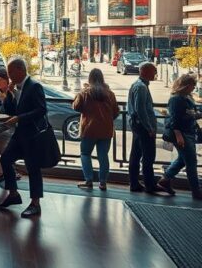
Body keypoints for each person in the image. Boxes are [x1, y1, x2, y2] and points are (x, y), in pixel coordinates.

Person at [0, 58, 48, 219]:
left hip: (32, 134)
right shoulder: (17, 88)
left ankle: (35, 204)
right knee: (5, 159)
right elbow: (11, 110)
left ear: (20, 70)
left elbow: (41, 110)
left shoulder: (34, 86)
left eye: (10, 72)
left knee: (33, 168)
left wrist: (19, 118)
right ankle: (13, 194)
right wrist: (8, 95)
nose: (9, 76)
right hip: (20, 134)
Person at [72, 68, 119, 191]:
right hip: (106, 129)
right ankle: (103, 183)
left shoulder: (85, 93)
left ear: (90, 79)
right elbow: (116, 112)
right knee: (103, 156)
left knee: (85, 154)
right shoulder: (110, 93)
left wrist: (82, 90)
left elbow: (76, 107)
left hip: (89, 129)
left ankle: (88, 180)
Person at [157, 74, 202, 199]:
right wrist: (178, 135)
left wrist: (195, 114)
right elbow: (175, 120)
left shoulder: (184, 97)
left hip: (186, 132)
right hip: (182, 134)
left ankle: (165, 180)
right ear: (186, 85)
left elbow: (187, 114)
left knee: (183, 159)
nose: (194, 88)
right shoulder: (177, 99)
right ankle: (196, 191)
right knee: (191, 161)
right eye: (193, 85)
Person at [127, 62, 160, 193]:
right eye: (154, 71)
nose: (156, 74)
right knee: (148, 156)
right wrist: (149, 128)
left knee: (136, 155)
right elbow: (140, 110)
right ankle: (150, 185)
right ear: (145, 72)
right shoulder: (141, 87)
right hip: (143, 127)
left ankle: (134, 183)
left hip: (137, 126)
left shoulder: (137, 85)